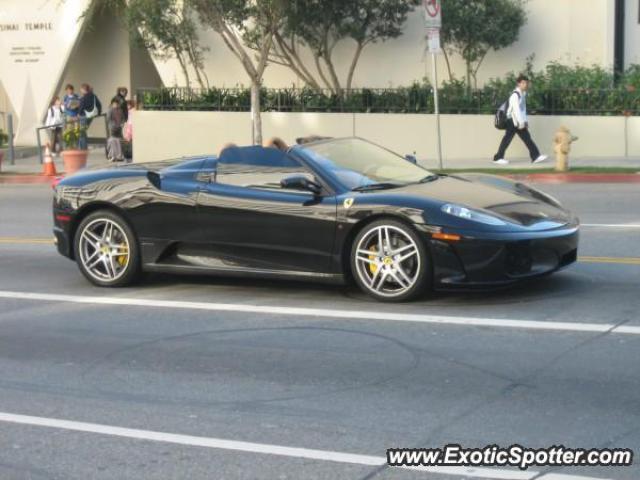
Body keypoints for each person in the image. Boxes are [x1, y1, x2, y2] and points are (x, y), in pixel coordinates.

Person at [493, 74, 548, 165]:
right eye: (523, 83)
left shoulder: (523, 94)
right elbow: (516, 110)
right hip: (511, 121)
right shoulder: (515, 95)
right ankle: (498, 158)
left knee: (526, 138)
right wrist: (521, 122)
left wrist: (525, 121)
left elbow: (523, 110)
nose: (525, 85)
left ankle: (535, 156)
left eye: (526, 83)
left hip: (517, 122)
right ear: (518, 84)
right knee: (508, 139)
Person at [78, 83, 102, 150]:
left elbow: (81, 107)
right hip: (91, 116)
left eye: (81, 89)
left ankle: (83, 148)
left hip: (84, 116)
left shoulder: (83, 98)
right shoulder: (94, 96)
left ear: (83, 89)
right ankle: (83, 147)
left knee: (82, 132)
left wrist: (78, 114)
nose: (80, 90)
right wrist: (99, 113)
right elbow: (99, 105)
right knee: (83, 131)